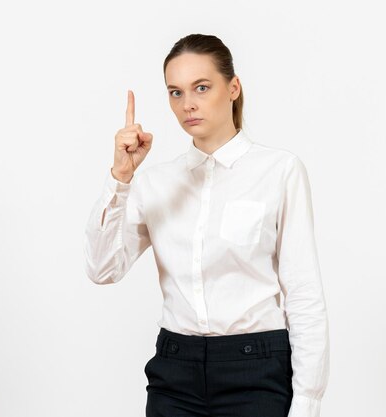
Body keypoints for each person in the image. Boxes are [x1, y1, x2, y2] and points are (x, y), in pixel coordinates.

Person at [83, 33, 329, 417]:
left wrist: (308, 402)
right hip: (174, 372)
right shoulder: (154, 182)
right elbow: (102, 269)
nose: (188, 104)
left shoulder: (279, 171)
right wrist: (120, 177)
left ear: (233, 88)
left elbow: (303, 294)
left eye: (201, 87)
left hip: (257, 370)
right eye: (175, 92)